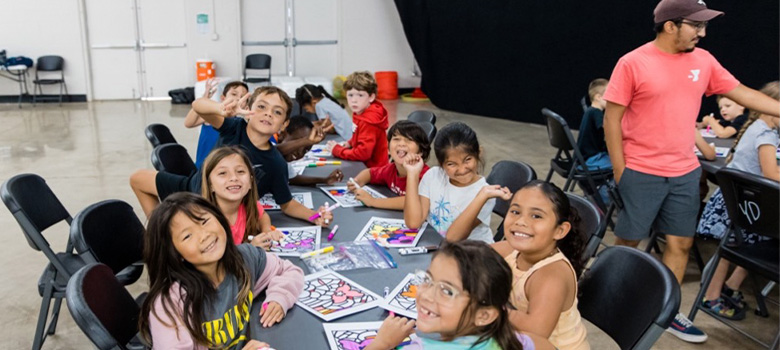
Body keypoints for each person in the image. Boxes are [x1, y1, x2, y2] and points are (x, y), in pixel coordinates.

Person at [602, 0, 780, 342]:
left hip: (685, 171)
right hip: (641, 170)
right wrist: (622, 171)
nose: (702, 32)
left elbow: (741, 92)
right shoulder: (633, 62)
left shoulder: (703, 60)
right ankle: (612, 299)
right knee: (627, 242)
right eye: (695, 25)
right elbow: (612, 120)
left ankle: (667, 312)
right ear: (670, 26)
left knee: (681, 244)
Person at [129, 86, 332, 227]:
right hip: (193, 188)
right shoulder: (234, 127)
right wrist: (221, 109)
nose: (268, 113)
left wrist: (315, 216)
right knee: (138, 178)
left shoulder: (276, 163)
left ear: (284, 124)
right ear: (248, 110)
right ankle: (160, 235)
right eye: (261, 107)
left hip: (220, 214)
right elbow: (198, 105)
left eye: (277, 112)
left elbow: (287, 203)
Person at [139, 192, 304, 349]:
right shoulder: (170, 303)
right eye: (187, 236)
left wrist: (279, 297)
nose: (204, 235)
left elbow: (288, 270)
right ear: (176, 254)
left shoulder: (245, 258)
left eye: (204, 221)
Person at [364, 240, 555, 350]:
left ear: (484, 315)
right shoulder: (505, 340)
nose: (427, 295)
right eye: (428, 280)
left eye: (447, 291)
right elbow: (545, 345)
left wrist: (381, 344)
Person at [696, 81, 780, 320]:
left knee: (755, 240)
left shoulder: (756, 127)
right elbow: (771, 174)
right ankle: (710, 296)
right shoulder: (766, 134)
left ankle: (730, 286)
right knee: (740, 244)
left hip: (739, 203)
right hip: (744, 208)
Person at [491, 181, 589, 350]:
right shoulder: (511, 250)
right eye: (515, 211)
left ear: (560, 230)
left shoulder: (552, 275)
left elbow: (536, 331)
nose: (521, 221)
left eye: (536, 216)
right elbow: (469, 257)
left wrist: (484, 308)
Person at [403, 122, 504, 243]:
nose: (461, 169)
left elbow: (452, 238)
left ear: (478, 154)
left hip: (471, 255)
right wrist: (413, 174)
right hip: (438, 248)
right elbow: (413, 223)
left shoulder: (485, 193)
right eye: (451, 164)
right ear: (441, 164)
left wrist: (481, 197)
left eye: (467, 160)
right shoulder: (433, 176)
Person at [200, 146, 283, 250]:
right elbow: (217, 260)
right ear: (210, 184)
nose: (234, 178)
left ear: (251, 181)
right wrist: (250, 249)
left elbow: (262, 216)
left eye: (240, 171)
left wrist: (267, 231)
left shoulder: (248, 205)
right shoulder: (206, 222)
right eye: (222, 173)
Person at [347, 120, 431, 210]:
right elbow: (370, 173)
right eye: (396, 139)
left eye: (409, 140)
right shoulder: (391, 169)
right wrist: (357, 182)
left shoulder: (426, 176)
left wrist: (373, 201)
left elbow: (411, 202)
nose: (401, 144)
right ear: (389, 149)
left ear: (421, 151)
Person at [326, 71, 390, 168]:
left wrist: (338, 150)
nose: (354, 100)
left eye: (360, 95)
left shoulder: (368, 120)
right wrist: (350, 143)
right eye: (350, 95)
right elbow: (361, 134)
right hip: (368, 167)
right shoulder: (362, 111)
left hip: (373, 171)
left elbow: (363, 154)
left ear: (371, 97)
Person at [185, 80, 249, 168]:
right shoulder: (213, 116)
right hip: (202, 170)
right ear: (223, 98)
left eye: (242, 97)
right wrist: (205, 97)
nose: (238, 98)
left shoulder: (240, 124)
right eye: (234, 94)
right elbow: (188, 123)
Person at [279, 116, 344, 186]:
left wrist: (325, 180)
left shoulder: (283, 163)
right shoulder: (268, 147)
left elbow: (292, 178)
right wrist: (307, 141)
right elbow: (274, 151)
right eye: (298, 142)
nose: (300, 153)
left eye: (306, 149)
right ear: (282, 135)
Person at [577, 78, 611, 170]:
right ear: (598, 97)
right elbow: (607, 131)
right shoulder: (596, 113)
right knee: (620, 165)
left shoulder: (590, 111)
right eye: (610, 95)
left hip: (583, 157)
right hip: (590, 160)